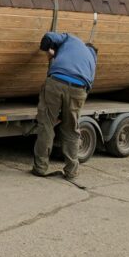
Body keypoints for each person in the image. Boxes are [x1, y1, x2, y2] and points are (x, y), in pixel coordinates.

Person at [32, 32, 97, 180]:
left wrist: (48, 51)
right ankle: (71, 172)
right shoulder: (92, 60)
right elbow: (89, 86)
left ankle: (40, 168)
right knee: (71, 130)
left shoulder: (71, 38)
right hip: (79, 89)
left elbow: (48, 37)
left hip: (56, 81)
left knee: (46, 125)